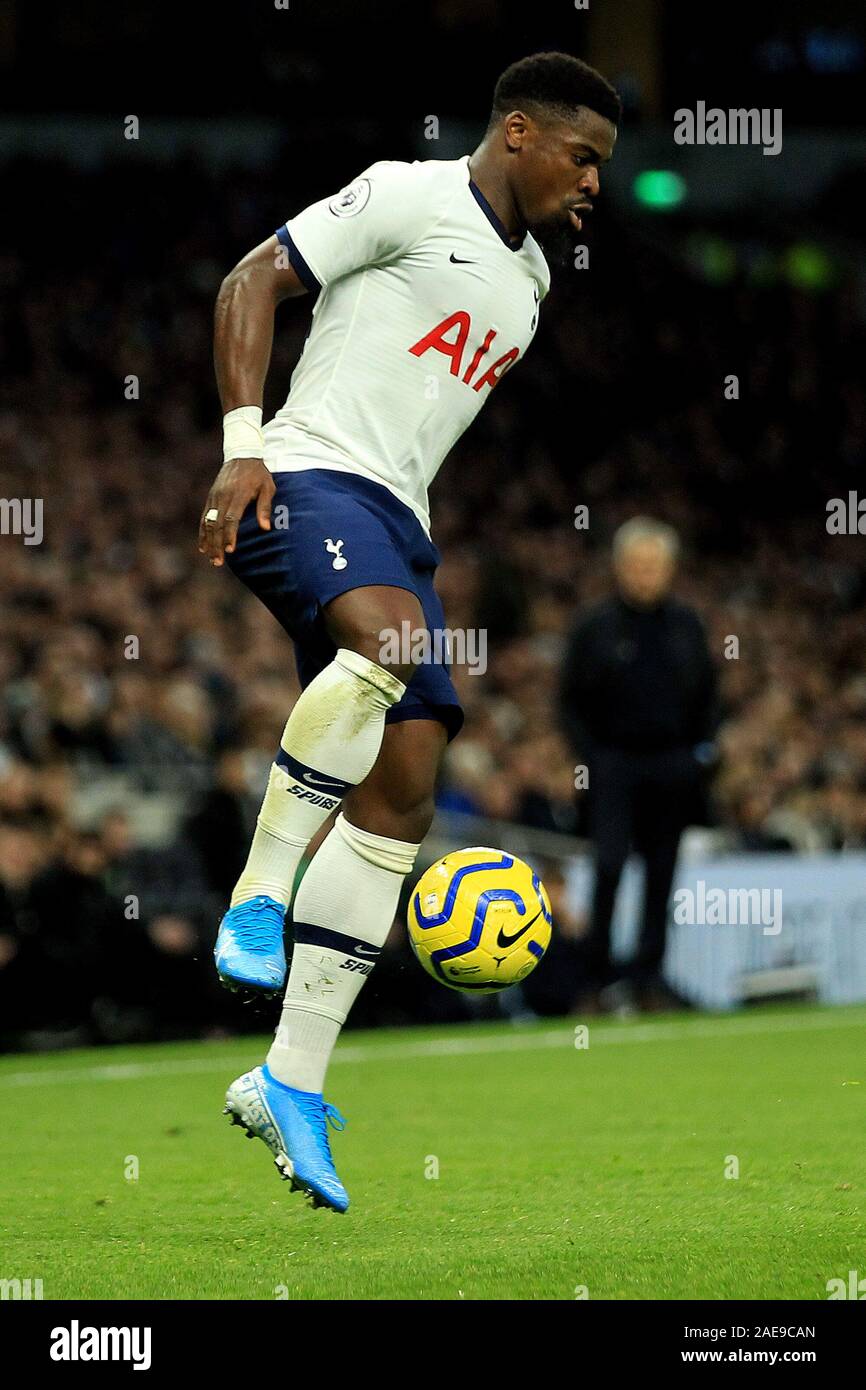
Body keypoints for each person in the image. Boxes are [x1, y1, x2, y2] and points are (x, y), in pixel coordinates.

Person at [198, 52, 621, 1212]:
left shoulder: (531, 281)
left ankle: (288, 1079)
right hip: (302, 473)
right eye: (581, 157)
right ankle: (258, 897)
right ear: (518, 131)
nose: (594, 183)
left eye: (604, 167)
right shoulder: (403, 192)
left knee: (405, 784)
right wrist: (242, 445)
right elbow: (248, 283)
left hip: (397, 523)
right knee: (384, 644)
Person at [559, 519, 719, 1012]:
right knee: (608, 865)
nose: (646, 574)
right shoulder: (595, 626)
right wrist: (592, 757)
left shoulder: (688, 625)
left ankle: (650, 977)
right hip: (612, 763)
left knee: (662, 869)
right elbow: (569, 701)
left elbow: (709, 697)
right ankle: (596, 979)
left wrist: (700, 754)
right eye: (638, 564)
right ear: (620, 568)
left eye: (655, 565)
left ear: (670, 570)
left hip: (672, 764)